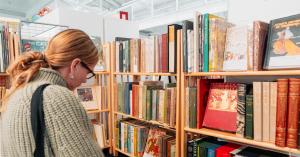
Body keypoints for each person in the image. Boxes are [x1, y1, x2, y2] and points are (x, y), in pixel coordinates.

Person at [1, 29, 105, 157]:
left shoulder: (18, 90)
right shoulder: (56, 97)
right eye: (89, 72)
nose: (85, 79)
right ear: (75, 65)